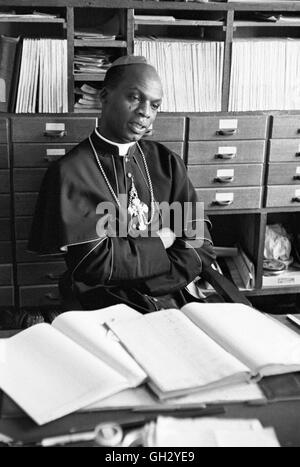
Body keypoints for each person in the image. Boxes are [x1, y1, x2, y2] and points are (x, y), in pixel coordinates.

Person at [28, 55, 216, 313]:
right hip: (101, 302)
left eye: (155, 105)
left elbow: (199, 243)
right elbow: (95, 263)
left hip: (174, 295)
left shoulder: (167, 163)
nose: (146, 112)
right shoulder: (71, 172)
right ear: (104, 97)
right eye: (135, 98)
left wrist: (154, 281)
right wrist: (163, 240)